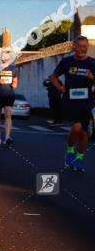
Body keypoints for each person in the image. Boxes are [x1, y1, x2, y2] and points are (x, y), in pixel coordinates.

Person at [49, 36, 95, 172]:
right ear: (74, 46)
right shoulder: (66, 61)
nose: (82, 49)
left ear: (87, 47)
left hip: (87, 101)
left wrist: (92, 78)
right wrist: (60, 88)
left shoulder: (92, 63)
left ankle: (79, 158)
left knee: (84, 132)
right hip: (70, 100)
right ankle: (70, 150)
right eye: (79, 46)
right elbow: (53, 77)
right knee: (77, 127)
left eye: (84, 46)